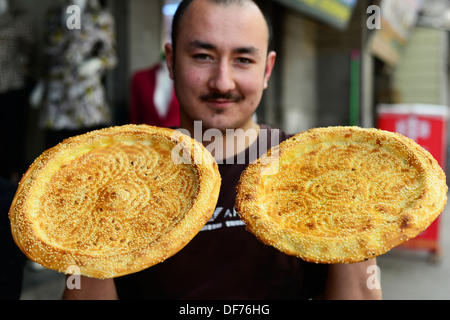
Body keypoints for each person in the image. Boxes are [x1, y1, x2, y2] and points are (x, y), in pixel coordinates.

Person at [63, 0, 382, 300]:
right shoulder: (119, 176)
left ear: (267, 70)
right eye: (203, 56)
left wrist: (352, 212)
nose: (223, 82)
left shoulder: (316, 170)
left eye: (243, 60)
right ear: (171, 61)